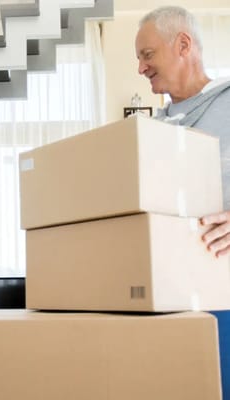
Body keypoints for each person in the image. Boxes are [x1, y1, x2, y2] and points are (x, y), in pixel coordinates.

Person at [135, 5, 230, 397]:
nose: (140, 68)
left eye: (147, 54)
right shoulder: (151, 129)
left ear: (183, 44)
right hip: (167, 301)